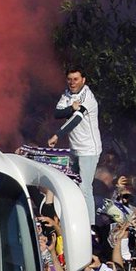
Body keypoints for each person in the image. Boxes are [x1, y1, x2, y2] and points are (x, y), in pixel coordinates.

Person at [48, 65, 101, 226]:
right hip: (75, 148)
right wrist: (71, 107)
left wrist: (57, 135)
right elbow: (57, 113)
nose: (72, 82)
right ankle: (74, 217)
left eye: (76, 79)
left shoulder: (88, 97)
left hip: (89, 149)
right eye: (70, 79)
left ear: (83, 80)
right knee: (72, 184)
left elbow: (75, 119)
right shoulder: (67, 95)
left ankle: (90, 226)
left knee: (85, 187)